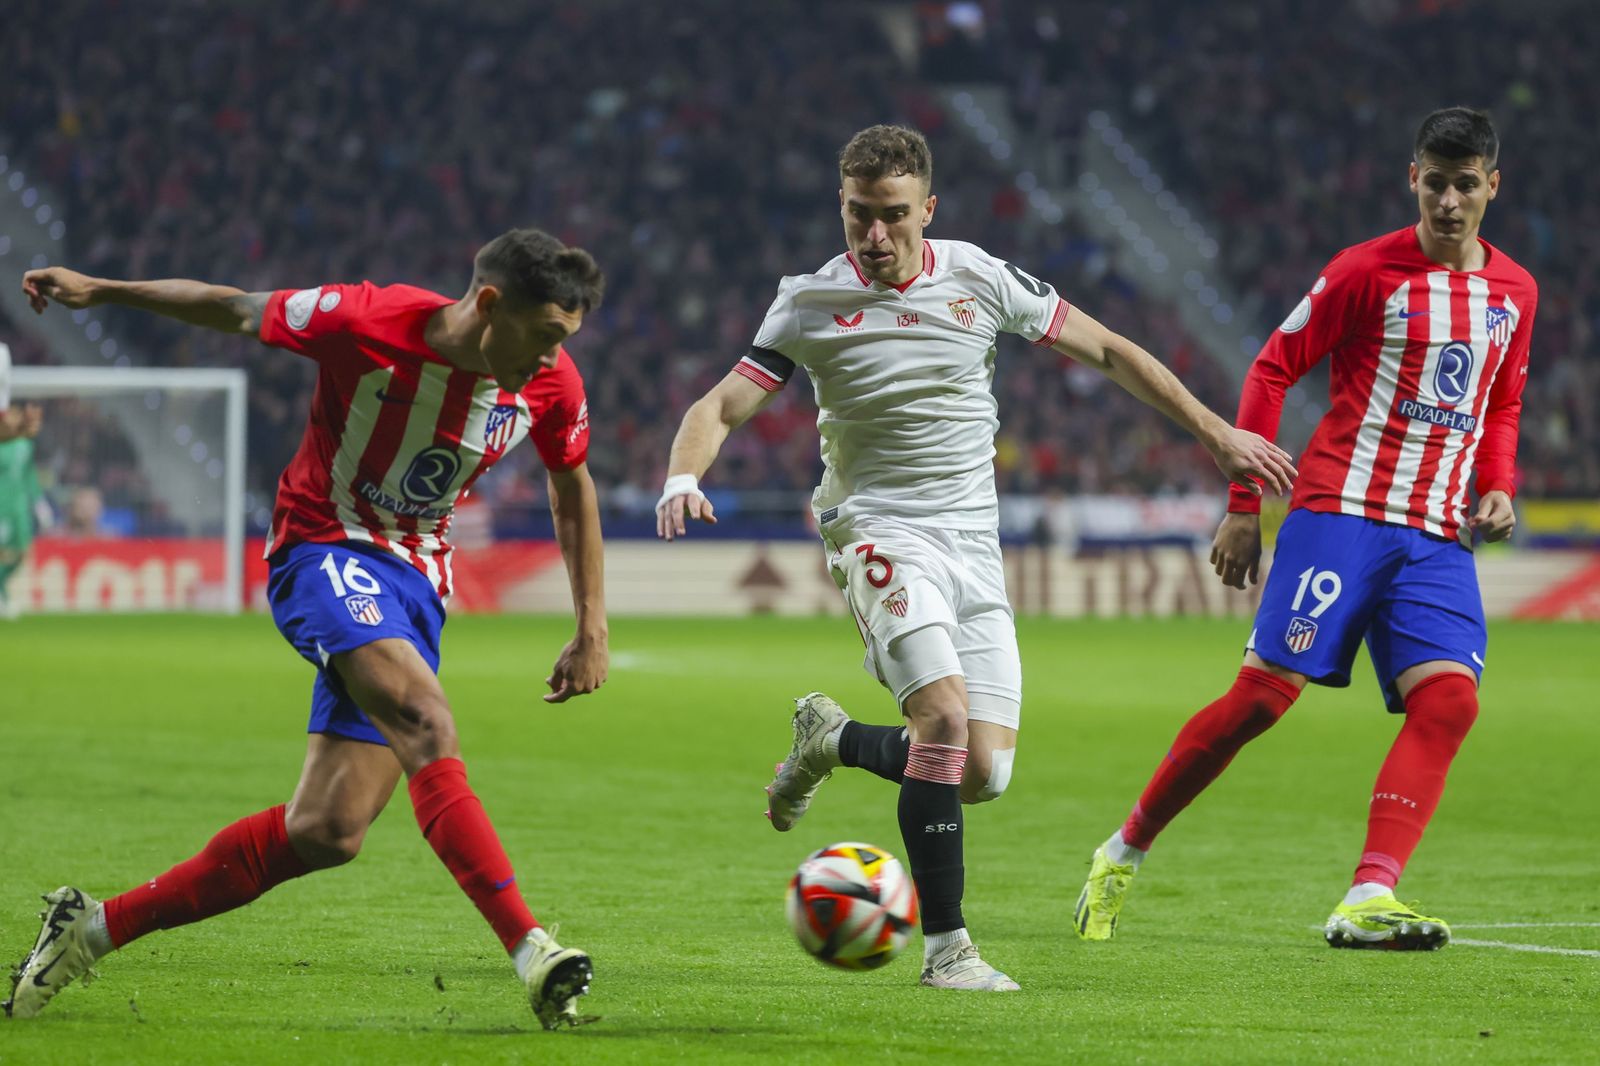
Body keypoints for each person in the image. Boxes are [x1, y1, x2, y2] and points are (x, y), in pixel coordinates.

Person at [656, 125, 1295, 990]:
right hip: (879, 529)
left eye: (892, 215)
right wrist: (682, 476)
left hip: (973, 542)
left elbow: (1110, 350)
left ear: (929, 208)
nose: (874, 235)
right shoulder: (808, 302)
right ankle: (947, 950)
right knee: (946, 722)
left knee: (983, 772)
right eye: (857, 214)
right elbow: (720, 405)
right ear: (840, 206)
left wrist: (1217, 435)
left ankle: (833, 740)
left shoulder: (982, 278)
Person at [8, 228, 611, 1027]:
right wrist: (104, 289)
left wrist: (591, 624)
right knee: (426, 721)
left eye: (563, 340)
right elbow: (232, 307)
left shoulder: (551, 384)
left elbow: (571, 488)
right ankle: (531, 951)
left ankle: (88, 930)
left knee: (329, 829)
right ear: (491, 304)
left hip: (414, 583)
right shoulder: (365, 319)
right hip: (323, 547)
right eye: (543, 335)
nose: (551, 357)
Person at [1074, 107, 1537, 950]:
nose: (1448, 202)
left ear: (1492, 186)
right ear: (1413, 179)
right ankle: (1123, 849)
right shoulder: (1365, 272)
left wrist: (1499, 485)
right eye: (1435, 183)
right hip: (1341, 513)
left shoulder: (1516, 292)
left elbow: (1502, 402)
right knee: (1259, 702)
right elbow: (1272, 367)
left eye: (1466, 185)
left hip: (1435, 533)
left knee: (1450, 702)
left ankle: (1369, 894)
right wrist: (1243, 504)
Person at [0, 400, 45, 619]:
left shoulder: (26, 444)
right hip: (1, 506)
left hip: (18, 508)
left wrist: (39, 503)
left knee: (22, 553)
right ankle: (3, 597)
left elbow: (29, 475)